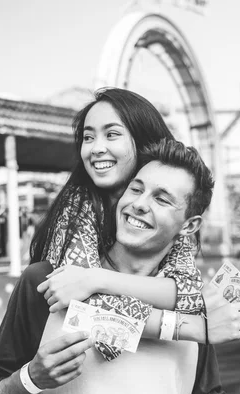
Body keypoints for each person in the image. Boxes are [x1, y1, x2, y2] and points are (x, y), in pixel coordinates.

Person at [0, 139, 240, 394]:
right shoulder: (47, 280)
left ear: (189, 226)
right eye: (136, 189)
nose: (140, 204)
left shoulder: (193, 307)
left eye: (162, 199)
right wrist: (30, 379)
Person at [29, 88, 206, 361]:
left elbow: (190, 296)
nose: (97, 148)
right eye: (88, 137)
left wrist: (98, 279)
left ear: (143, 141)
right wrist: (191, 328)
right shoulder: (75, 212)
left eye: (111, 134)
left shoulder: (175, 227)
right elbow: (92, 318)